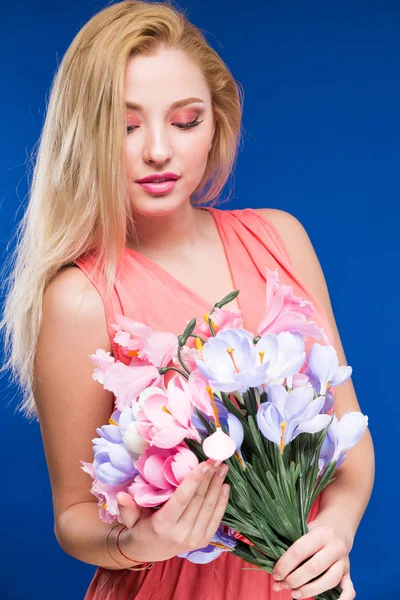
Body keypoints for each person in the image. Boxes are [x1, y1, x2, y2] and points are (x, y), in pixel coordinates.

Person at [0, 1, 374, 599]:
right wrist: (142, 543)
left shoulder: (281, 241)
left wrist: (333, 532)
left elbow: (350, 439)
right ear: (85, 133)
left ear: (216, 124)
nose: (156, 150)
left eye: (185, 120)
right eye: (125, 126)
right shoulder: (80, 299)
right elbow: (72, 516)